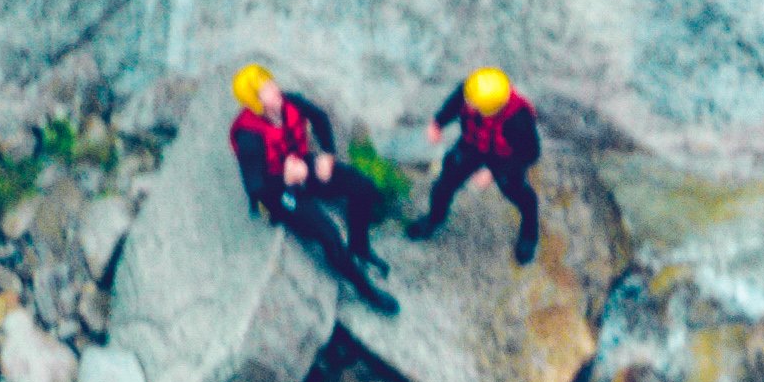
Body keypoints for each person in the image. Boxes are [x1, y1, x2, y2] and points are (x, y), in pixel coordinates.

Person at [227, 65, 397, 314]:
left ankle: (360, 247)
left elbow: (319, 117)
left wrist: (327, 154)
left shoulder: (290, 102)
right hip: (278, 191)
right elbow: (255, 187)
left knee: (363, 188)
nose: (275, 90)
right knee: (329, 234)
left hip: (303, 165)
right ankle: (366, 290)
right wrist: (286, 180)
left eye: (271, 84)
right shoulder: (249, 137)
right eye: (266, 90)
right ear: (255, 101)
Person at [406, 66, 541, 266]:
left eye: (473, 104)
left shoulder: (518, 120)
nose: (466, 103)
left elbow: (530, 154)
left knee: (522, 197)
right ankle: (435, 218)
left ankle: (530, 233)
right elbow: (454, 103)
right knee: (444, 185)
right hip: (472, 145)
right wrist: (438, 123)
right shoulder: (473, 90)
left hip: (504, 159)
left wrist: (493, 173)